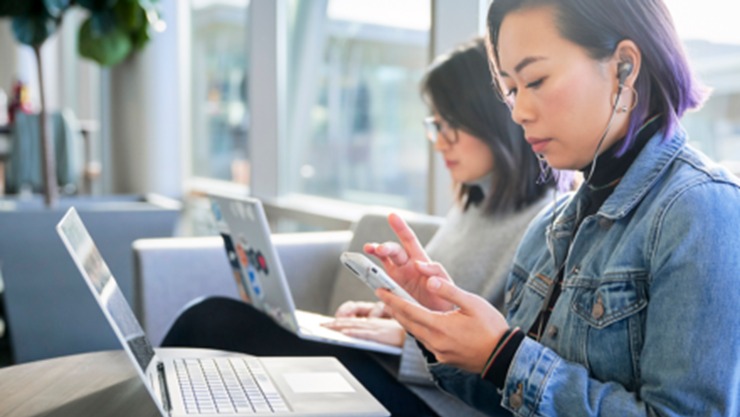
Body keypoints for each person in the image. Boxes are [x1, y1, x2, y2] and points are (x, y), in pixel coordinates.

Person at [368, 1, 740, 416]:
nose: (520, 113)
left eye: (536, 80)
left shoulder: (701, 209)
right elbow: (509, 401)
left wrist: (504, 356)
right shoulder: (553, 223)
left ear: (624, 66)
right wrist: (441, 326)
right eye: (511, 90)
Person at [162, 37, 563, 416]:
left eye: (450, 124)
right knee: (217, 325)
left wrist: (409, 342)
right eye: (434, 125)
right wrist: (386, 315)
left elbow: (512, 369)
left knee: (214, 321)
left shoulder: (544, 227)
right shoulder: (472, 206)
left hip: (439, 404)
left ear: (492, 118)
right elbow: (433, 312)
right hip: (401, 377)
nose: (440, 142)